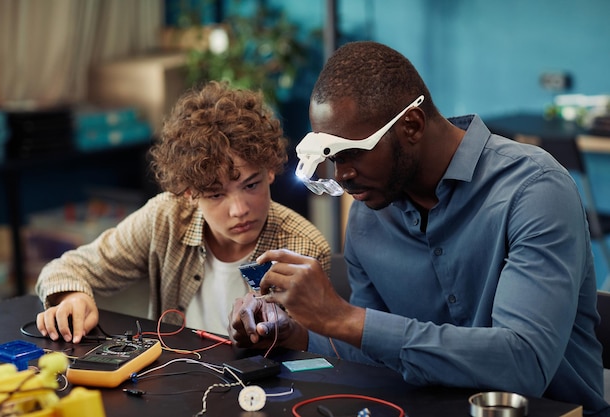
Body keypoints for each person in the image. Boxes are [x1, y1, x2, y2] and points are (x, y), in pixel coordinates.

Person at [229, 41, 609, 416]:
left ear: (411, 125)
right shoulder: (369, 212)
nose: (343, 176)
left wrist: (342, 317)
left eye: (351, 154)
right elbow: (375, 352)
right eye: (332, 159)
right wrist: (294, 333)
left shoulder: (534, 191)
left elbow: (523, 366)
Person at [35, 80, 331, 344]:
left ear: (269, 172)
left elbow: (315, 352)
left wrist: (286, 333)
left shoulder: (302, 246)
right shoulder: (165, 218)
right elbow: (63, 269)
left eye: (250, 185)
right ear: (189, 193)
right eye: (216, 194)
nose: (239, 209)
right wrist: (72, 297)